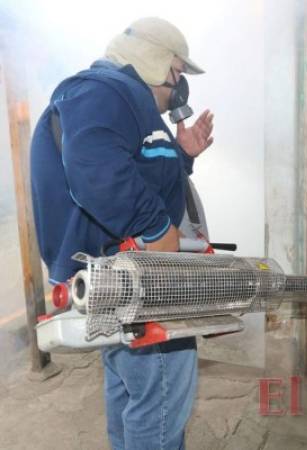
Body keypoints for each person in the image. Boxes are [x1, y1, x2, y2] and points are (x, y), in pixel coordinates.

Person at [30, 17, 214, 450]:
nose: (180, 87)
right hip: (133, 277)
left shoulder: (124, 101)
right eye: (178, 74)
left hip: (119, 273)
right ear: (158, 62)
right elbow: (95, 171)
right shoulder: (104, 90)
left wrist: (182, 157)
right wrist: (153, 227)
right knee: (160, 399)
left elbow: (136, 173)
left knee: (130, 387)